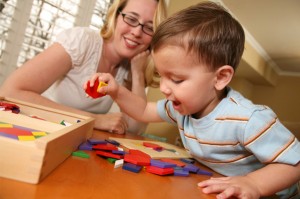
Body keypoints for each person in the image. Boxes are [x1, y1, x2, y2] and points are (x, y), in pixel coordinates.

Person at [85, 2, 300, 198]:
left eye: (177, 79)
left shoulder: (248, 119)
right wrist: (116, 91)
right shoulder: (181, 108)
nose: (164, 88)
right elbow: (142, 110)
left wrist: (253, 184)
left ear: (220, 77)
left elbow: (295, 163)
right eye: (162, 76)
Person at [0, 0, 167, 134]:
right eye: (131, 18)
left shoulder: (129, 64)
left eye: (149, 28)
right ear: (115, 16)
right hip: (31, 131)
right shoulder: (82, 41)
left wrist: (138, 73)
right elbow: (10, 91)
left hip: (69, 140)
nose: (137, 32)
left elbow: (134, 128)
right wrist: (93, 119)